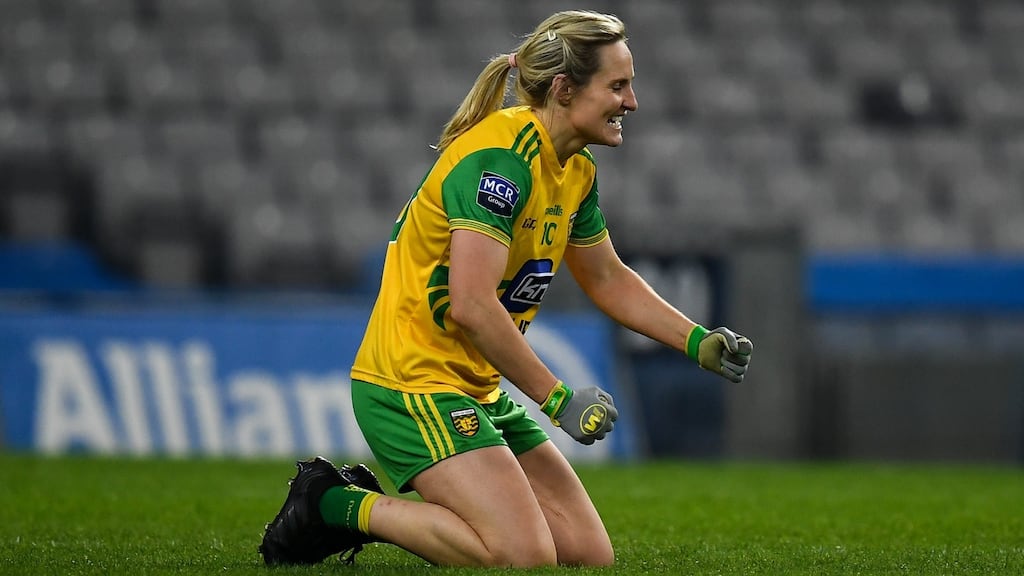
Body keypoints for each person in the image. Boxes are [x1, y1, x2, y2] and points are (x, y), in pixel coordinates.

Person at [259, 9, 752, 568]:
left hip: (475, 391)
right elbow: (471, 304)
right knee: (524, 558)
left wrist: (696, 341)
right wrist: (558, 400)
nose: (631, 102)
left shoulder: (576, 169)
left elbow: (608, 277)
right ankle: (333, 503)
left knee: (588, 556)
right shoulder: (501, 161)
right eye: (618, 86)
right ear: (565, 89)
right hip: (411, 384)